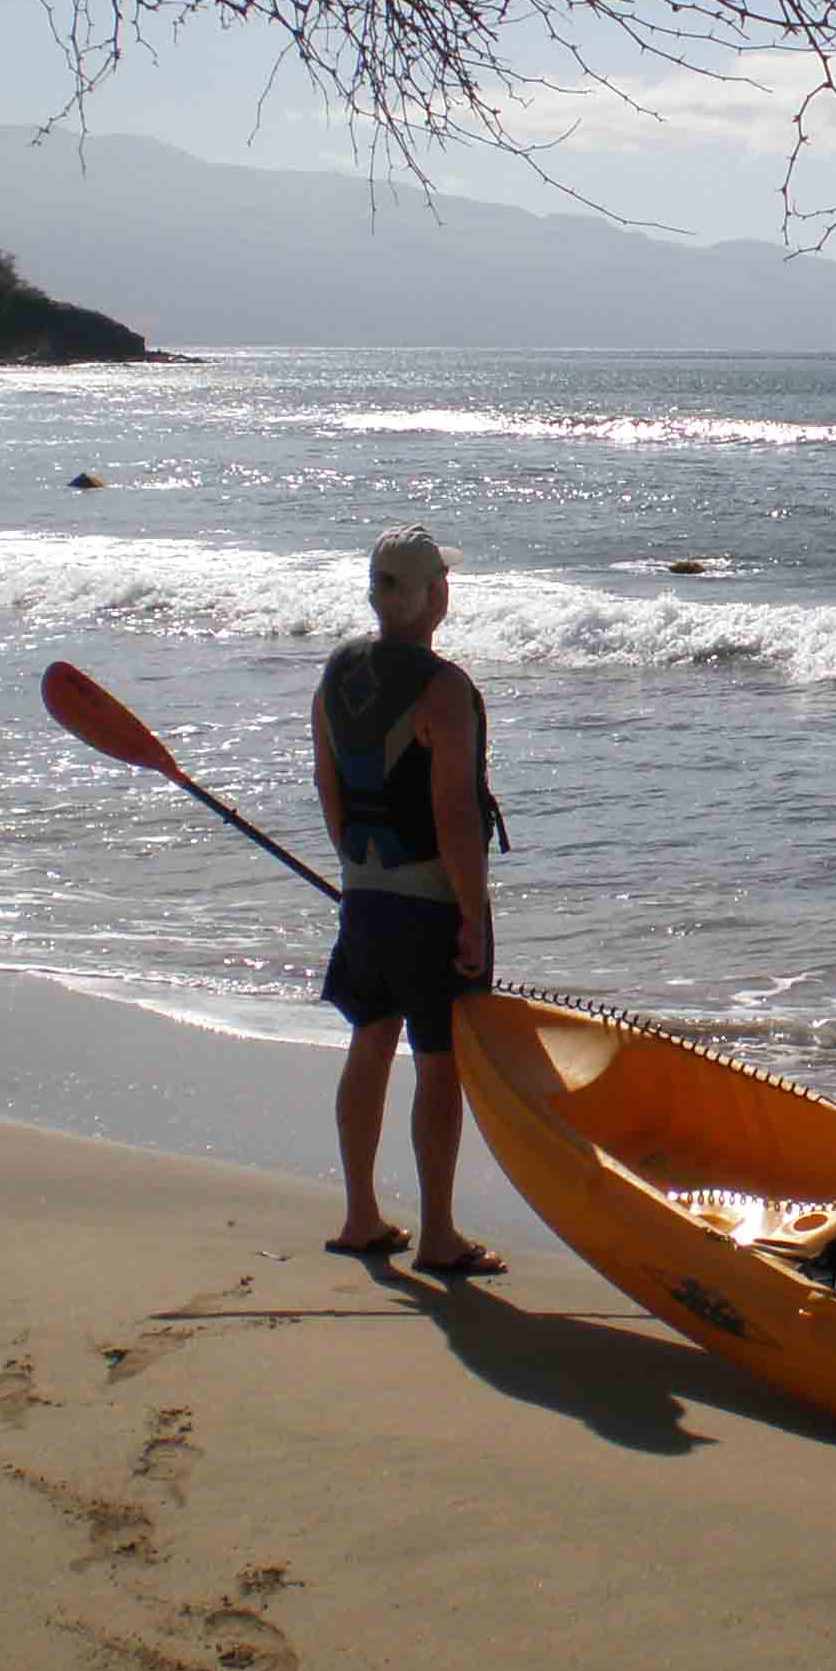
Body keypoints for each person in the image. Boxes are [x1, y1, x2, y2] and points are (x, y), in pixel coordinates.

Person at [309, 525, 508, 1279]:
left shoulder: (335, 672)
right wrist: (470, 913)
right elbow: (455, 811)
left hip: (364, 893)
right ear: (434, 598)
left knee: (368, 1040)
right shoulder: (443, 688)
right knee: (436, 1064)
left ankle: (360, 1217)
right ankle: (438, 1237)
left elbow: (329, 788)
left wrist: (357, 874)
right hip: (428, 901)